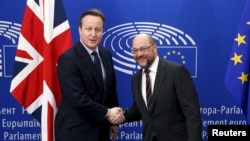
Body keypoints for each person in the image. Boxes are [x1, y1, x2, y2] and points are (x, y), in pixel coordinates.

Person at [111, 33, 202, 141]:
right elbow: (139, 110)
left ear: (154, 48)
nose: (139, 54)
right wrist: (120, 115)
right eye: (135, 50)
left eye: (143, 49)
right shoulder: (136, 78)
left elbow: (192, 114)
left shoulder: (176, 72)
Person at [55, 9, 124, 141]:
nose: (93, 34)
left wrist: (113, 122)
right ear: (80, 30)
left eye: (98, 29)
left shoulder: (106, 54)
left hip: (101, 130)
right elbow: (77, 98)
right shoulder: (68, 59)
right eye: (88, 29)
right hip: (76, 132)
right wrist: (108, 113)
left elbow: (110, 92)